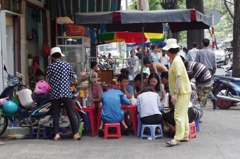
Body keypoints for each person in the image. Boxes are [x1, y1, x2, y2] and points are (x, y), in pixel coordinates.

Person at [46, 47, 80, 141]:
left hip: (55, 94)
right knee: (70, 113)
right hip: (66, 93)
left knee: (56, 114)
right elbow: (74, 77)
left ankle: (56, 134)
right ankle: (75, 134)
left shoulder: (50, 67)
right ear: (61, 55)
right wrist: (73, 81)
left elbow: (47, 80)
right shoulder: (66, 65)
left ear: (52, 57)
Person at [163, 38, 192, 146]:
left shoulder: (176, 61)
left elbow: (178, 78)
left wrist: (174, 94)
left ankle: (177, 138)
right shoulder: (176, 59)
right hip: (184, 91)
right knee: (183, 114)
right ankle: (184, 135)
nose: (165, 52)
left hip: (181, 92)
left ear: (170, 50)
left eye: (166, 50)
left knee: (178, 115)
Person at [195, 38, 217, 109]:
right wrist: (213, 72)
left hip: (201, 71)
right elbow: (214, 64)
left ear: (202, 43)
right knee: (207, 86)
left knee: (200, 86)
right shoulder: (212, 52)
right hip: (209, 71)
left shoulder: (199, 52)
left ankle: (201, 101)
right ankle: (212, 99)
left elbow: (196, 63)